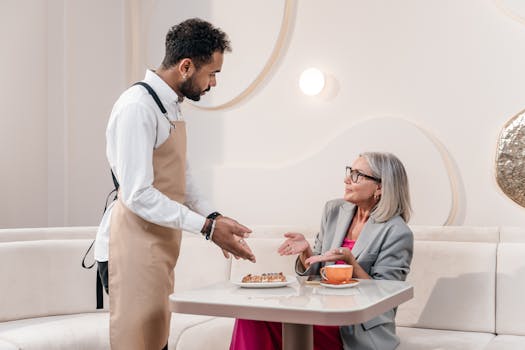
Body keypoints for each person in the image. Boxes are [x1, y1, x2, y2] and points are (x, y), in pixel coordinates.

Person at [93, 18, 256, 350]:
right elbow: (137, 194)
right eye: (211, 73)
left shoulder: (168, 106)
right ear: (186, 66)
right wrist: (208, 229)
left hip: (155, 243)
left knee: (157, 342)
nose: (213, 83)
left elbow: (184, 175)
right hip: (129, 245)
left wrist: (216, 216)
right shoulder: (137, 107)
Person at [230, 152, 413, 350]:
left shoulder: (397, 232)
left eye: (357, 175)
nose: (346, 179)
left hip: (355, 326)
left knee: (257, 319)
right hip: (319, 310)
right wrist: (306, 252)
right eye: (349, 172)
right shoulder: (334, 210)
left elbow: (386, 296)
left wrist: (351, 262)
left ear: (380, 186)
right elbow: (316, 273)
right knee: (251, 314)